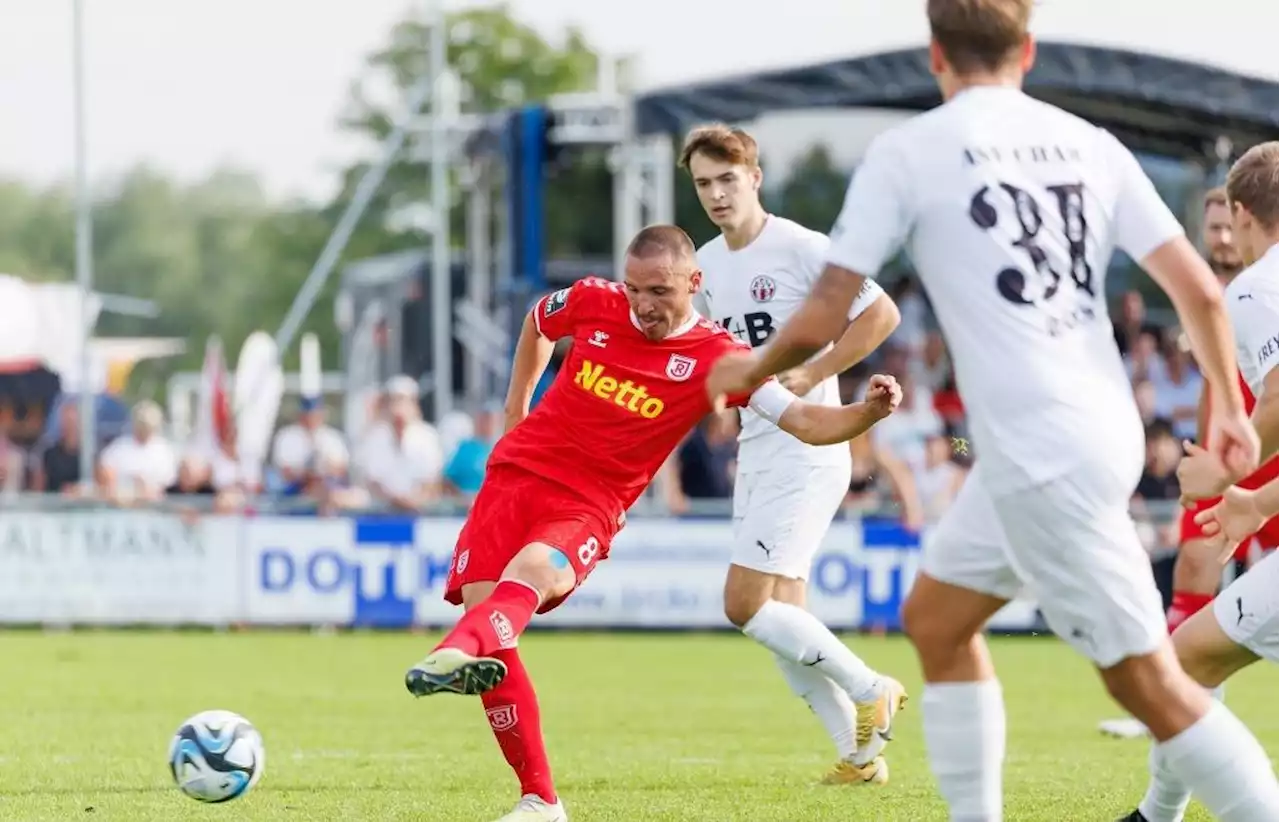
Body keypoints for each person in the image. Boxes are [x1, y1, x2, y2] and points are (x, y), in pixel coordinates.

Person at [705, 2, 1280, 819]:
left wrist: (750, 368)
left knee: (1152, 680)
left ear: (935, 55)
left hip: (1042, 443)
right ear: (1030, 50)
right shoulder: (1092, 144)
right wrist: (1225, 400)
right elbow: (1197, 290)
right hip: (1073, 430)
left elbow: (821, 310)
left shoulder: (907, 151)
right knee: (936, 620)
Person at [403, 224, 905, 822]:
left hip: (587, 502)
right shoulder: (595, 300)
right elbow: (540, 319)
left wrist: (868, 410)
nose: (643, 305)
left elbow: (805, 422)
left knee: (530, 578)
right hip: (514, 474)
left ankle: (454, 654)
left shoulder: (720, 358)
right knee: (494, 627)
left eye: (660, 291)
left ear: (694, 283)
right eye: (635, 288)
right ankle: (540, 801)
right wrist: (517, 409)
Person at [680, 123, 908, 785]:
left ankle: (871, 688)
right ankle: (859, 756)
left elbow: (881, 314)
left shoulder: (803, 247)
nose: (717, 194)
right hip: (758, 446)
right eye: (703, 183)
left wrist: (815, 372)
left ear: (754, 177)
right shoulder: (705, 265)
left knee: (744, 604)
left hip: (809, 445)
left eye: (727, 179)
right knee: (781, 616)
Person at [1118, 141, 1280, 822]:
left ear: (1241, 213)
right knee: (1189, 659)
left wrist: (1229, 469)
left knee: (1180, 667)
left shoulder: (1258, 286)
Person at [1099, 188, 1269, 741]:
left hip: (1260, 448)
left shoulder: (1254, 290)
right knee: (1195, 571)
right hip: (1228, 451)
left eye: (1228, 225)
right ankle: (1173, 712)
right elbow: (1209, 390)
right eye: (1212, 227)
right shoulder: (1208, 294)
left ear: (1248, 221)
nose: (1221, 237)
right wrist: (1204, 448)